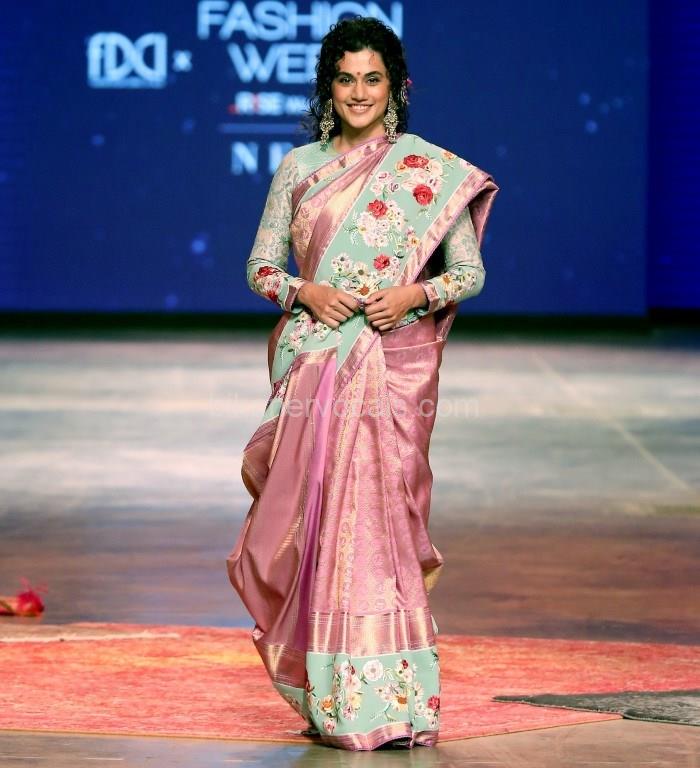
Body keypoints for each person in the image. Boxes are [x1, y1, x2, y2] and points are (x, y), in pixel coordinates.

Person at [226, 16, 499, 751]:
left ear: (395, 87)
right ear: (329, 87)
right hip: (317, 368)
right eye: (345, 79)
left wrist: (415, 295)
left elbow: (469, 273)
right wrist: (305, 291)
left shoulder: (427, 171)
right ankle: (330, 695)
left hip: (389, 372)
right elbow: (259, 267)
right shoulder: (298, 168)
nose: (358, 92)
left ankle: (393, 701)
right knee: (316, 527)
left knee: (377, 531)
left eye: (372, 79)